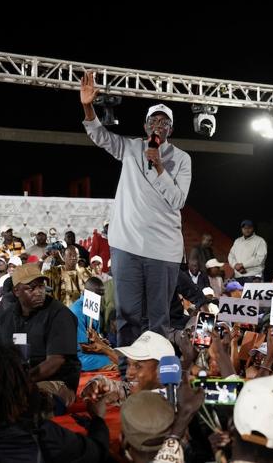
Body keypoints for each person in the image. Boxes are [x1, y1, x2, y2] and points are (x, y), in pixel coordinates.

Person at [81, 71, 191, 350]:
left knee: (159, 321)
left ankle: (157, 379)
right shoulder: (130, 148)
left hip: (163, 251)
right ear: (145, 126)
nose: (158, 125)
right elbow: (100, 136)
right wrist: (87, 106)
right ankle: (128, 377)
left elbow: (177, 199)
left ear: (171, 130)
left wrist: (158, 166)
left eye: (164, 122)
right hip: (127, 247)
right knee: (127, 318)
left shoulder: (181, 159)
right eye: (153, 120)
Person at [0, 264, 81, 411]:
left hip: (56, 381)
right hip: (18, 379)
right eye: (31, 288)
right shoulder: (7, 317)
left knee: (22, 400)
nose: (39, 292)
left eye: (41, 286)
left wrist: (20, 381)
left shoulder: (60, 314)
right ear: (16, 291)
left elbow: (55, 362)